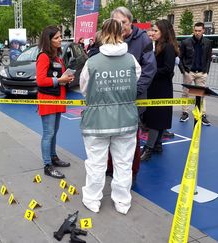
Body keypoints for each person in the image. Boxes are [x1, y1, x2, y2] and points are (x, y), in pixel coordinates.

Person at [80, 18, 141, 214]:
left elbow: (84, 89)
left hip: (97, 122)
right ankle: (122, 202)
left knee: (96, 163)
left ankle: (92, 200)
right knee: (123, 163)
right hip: (125, 120)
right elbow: (136, 79)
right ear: (122, 33)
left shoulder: (92, 62)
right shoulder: (131, 60)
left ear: (102, 33)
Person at [106, 6, 157, 183]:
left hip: (133, 98)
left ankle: (132, 172)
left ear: (131, 22)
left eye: (124, 22)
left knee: (131, 138)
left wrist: (134, 91)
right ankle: (111, 167)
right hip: (112, 99)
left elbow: (149, 69)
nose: (121, 26)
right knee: (111, 133)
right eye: (117, 23)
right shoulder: (110, 37)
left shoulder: (143, 39)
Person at [36, 25, 74, 179]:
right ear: (49, 40)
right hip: (48, 99)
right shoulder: (43, 56)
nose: (60, 40)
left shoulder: (57, 57)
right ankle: (47, 165)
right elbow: (40, 80)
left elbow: (57, 77)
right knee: (48, 133)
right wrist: (60, 80)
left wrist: (66, 80)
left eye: (60, 37)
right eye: (57, 37)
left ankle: (53, 157)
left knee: (54, 132)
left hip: (58, 98)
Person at [141, 20, 179, 161]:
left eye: (156, 30)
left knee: (156, 120)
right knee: (157, 118)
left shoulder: (168, 47)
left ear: (163, 32)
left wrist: (150, 72)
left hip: (161, 88)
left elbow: (168, 69)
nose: (153, 33)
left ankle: (149, 148)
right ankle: (157, 145)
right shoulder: (158, 45)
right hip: (156, 86)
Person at [178, 22, 213, 125]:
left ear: (203, 31)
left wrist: (206, 71)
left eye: (199, 31)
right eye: (195, 30)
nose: (197, 33)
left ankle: (202, 114)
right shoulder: (185, 42)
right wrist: (184, 72)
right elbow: (180, 58)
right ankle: (185, 113)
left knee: (201, 95)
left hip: (201, 73)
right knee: (185, 93)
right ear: (193, 30)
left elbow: (208, 58)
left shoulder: (207, 42)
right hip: (189, 72)